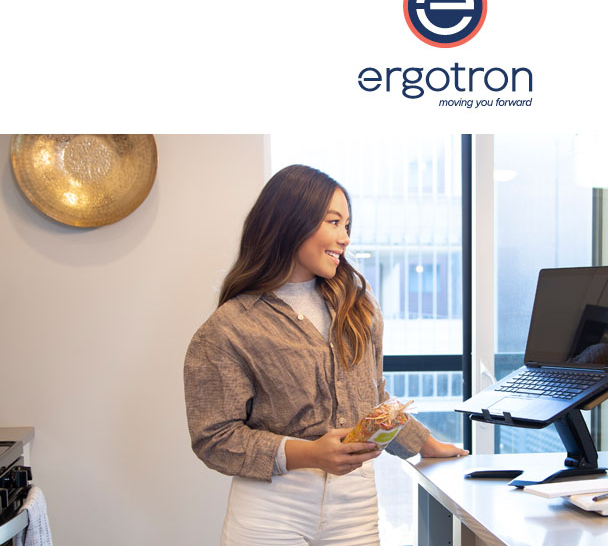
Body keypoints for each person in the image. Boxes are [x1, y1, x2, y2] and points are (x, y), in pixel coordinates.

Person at [184, 164, 467, 546]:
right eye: (334, 222)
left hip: (356, 504)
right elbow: (214, 439)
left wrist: (426, 443)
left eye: (347, 225)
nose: (345, 238)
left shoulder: (358, 306)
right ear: (289, 222)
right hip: (271, 509)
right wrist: (309, 454)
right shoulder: (229, 327)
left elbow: (373, 400)